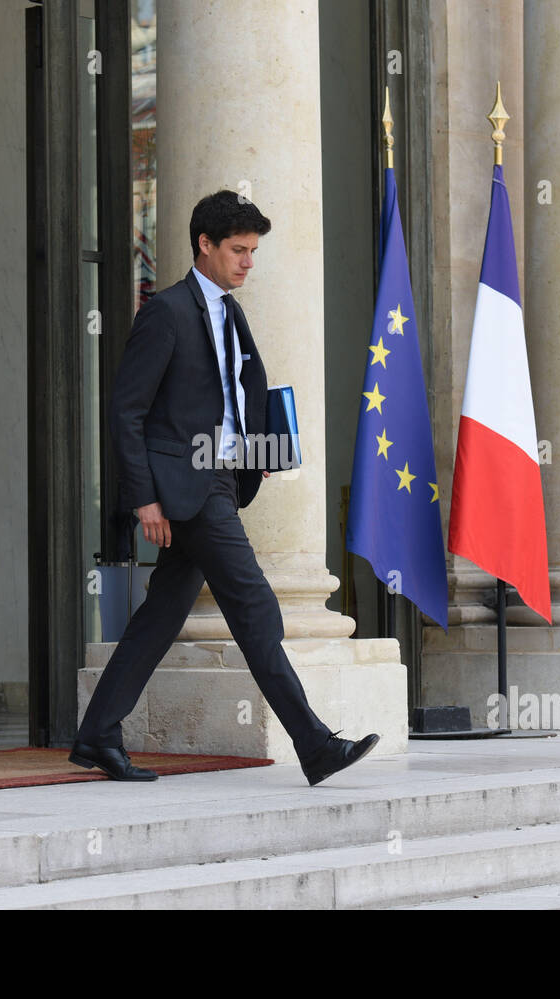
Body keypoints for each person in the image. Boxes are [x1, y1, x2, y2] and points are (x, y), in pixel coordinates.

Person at [69, 191, 379, 786]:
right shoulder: (166, 311)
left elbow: (236, 399)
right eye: (238, 250)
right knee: (255, 604)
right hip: (186, 488)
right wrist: (144, 499)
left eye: (253, 251)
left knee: (161, 615)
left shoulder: (231, 313)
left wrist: (257, 452)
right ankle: (314, 745)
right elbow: (126, 412)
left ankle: (97, 734)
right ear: (204, 246)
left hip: (219, 478)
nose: (248, 263)